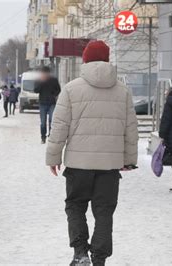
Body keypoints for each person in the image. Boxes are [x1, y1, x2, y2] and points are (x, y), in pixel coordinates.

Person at [46, 40, 138, 266]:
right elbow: (131, 128)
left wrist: (53, 157)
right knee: (104, 212)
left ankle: (80, 253)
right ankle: (99, 259)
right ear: (107, 59)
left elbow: (59, 127)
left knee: (75, 205)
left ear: (85, 60)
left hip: (78, 165)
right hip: (109, 167)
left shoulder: (70, 89)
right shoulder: (123, 91)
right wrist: (129, 160)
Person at [34, 66, 61, 144]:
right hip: (42, 103)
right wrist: (41, 83)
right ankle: (43, 137)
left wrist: (53, 94)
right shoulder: (39, 80)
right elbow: (36, 90)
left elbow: (58, 89)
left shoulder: (54, 80)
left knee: (51, 120)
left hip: (52, 103)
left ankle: (51, 136)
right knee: (43, 122)